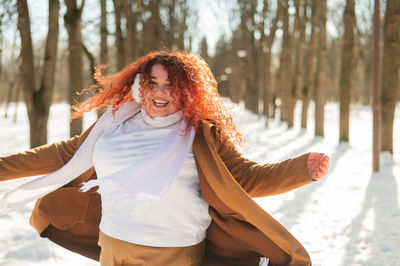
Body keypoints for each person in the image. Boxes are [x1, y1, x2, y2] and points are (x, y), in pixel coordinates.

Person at [0, 50, 329, 266]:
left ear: (188, 91)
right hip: (114, 245)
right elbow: (63, 154)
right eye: (152, 83)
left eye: (171, 85)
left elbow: (246, 178)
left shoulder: (200, 132)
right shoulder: (115, 122)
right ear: (140, 84)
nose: (160, 92)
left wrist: (301, 170)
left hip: (173, 251)